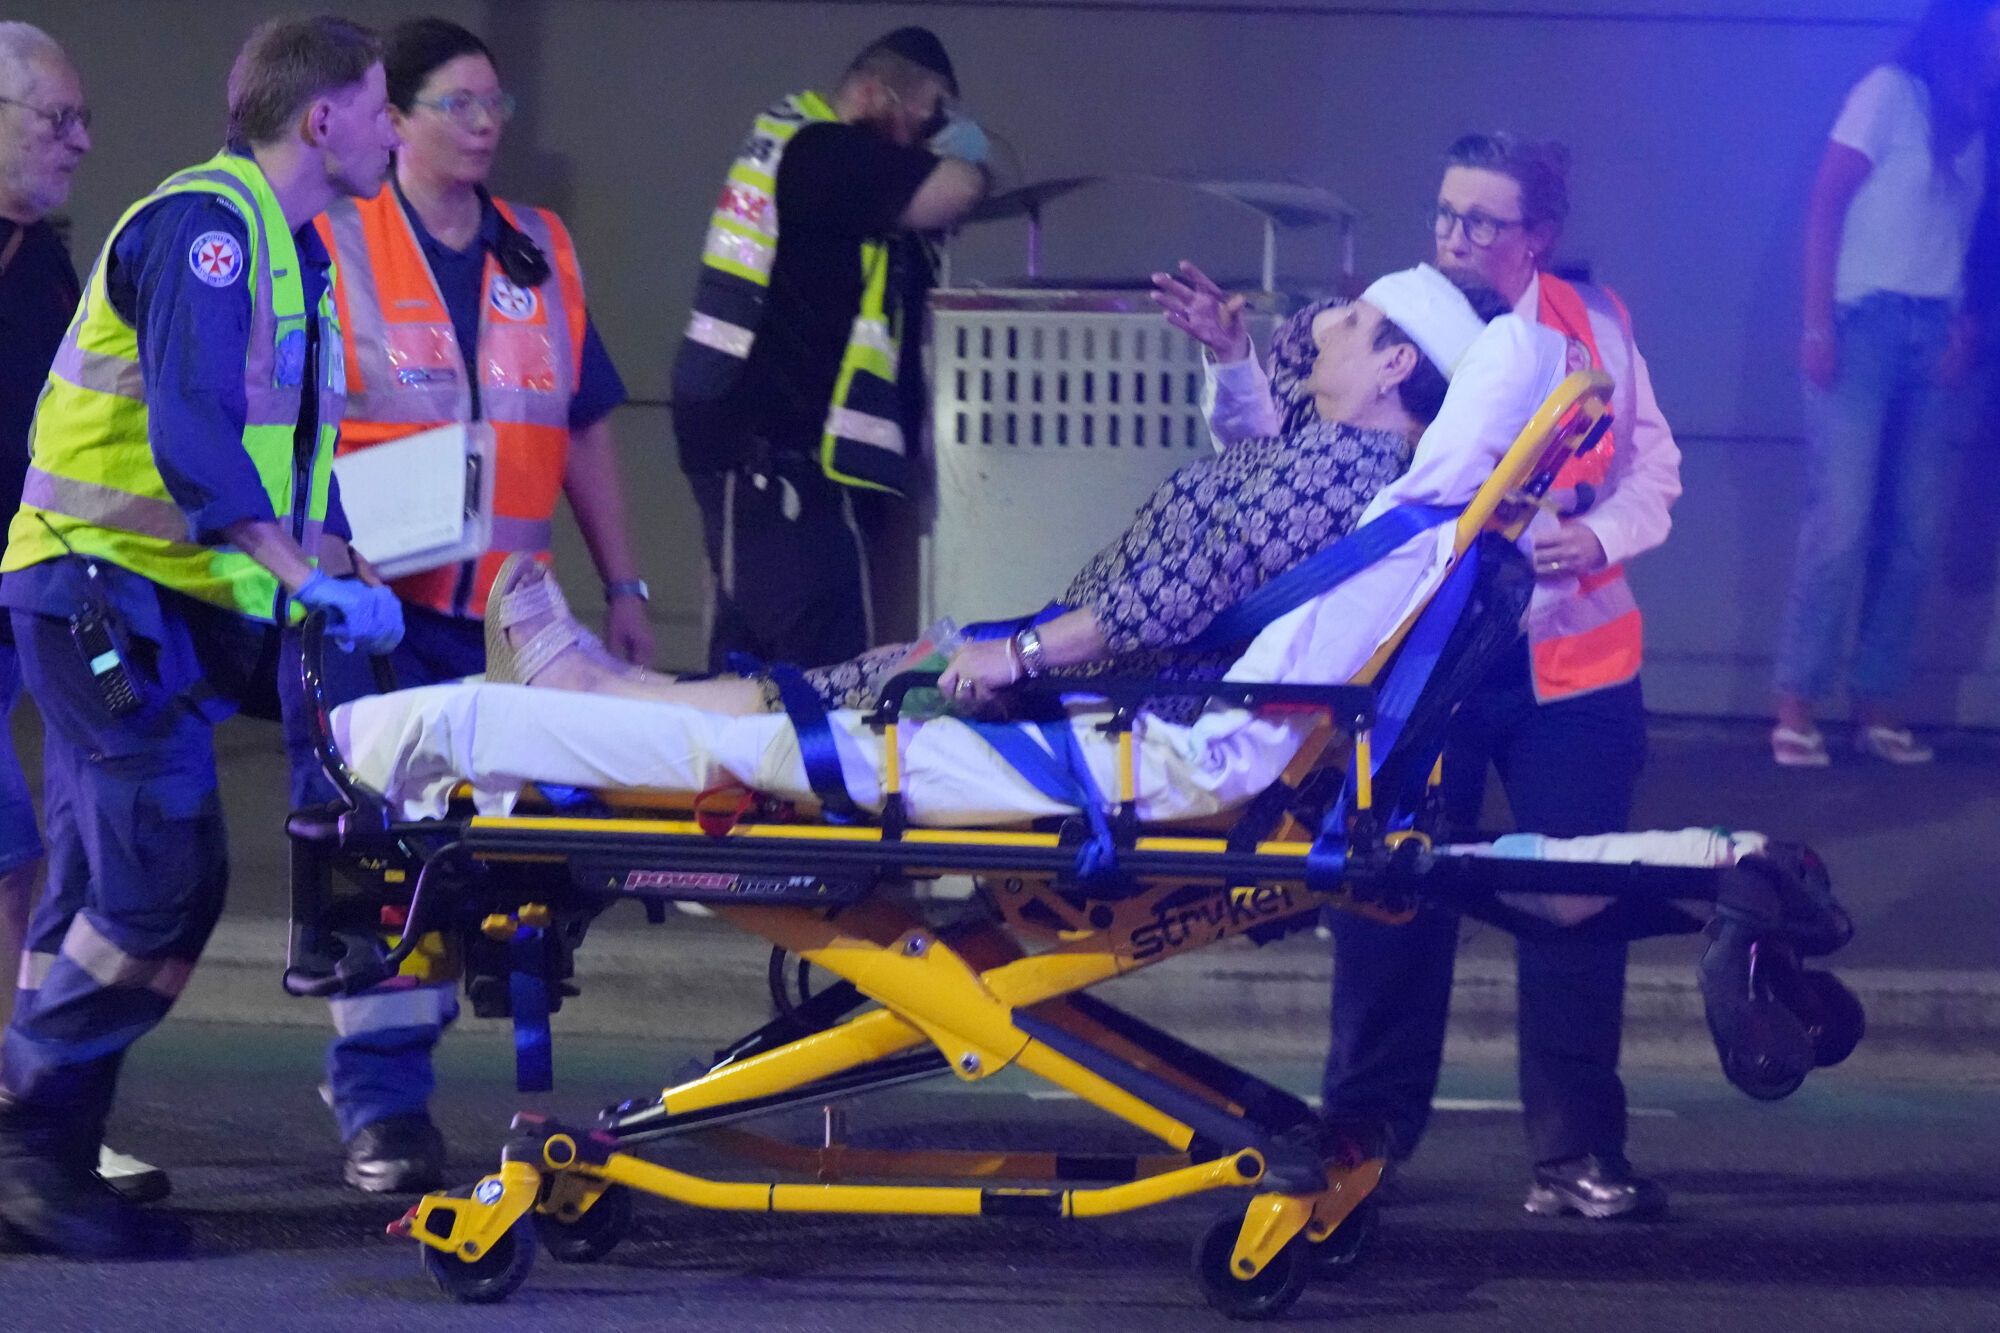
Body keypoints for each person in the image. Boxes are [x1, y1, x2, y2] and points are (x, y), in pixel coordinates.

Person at [1162, 132, 1685, 1219]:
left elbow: (1651, 470)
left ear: (1534, 236)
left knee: (1575, 904)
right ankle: (1363, 1136)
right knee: (1384, 898)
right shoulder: (1392, 315)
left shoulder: (1593, 325)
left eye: (1479, 220)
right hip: (1416, 660)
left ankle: (1576, 1150)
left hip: (1570, 667)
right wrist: (1229, 360)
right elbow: (1286, 461)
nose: (1451, 236)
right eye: (1444, 212)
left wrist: (1596, 541)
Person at [0, 15, 401, 1258]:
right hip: (92, 595)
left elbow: (288, 459)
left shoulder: (292, 255)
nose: (397, 128)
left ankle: (45, 1155)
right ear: (322, 118)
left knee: (122, 880)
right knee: (160, 870)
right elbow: (189, 438)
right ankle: (29, 1139)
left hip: (133, 606)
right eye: (385, 106)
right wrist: (298, 571)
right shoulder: (211, 233)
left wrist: (340, 563)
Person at [493, 266, 1510, 725]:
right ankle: (627, 698)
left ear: (1391, 370)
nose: (1320, 327)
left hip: (1110, 687)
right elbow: (1267, 436)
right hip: (1109, 670)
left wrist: (1019, 654)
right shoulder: (1344, 463)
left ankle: (613, 704)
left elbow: (1171, 593)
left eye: (1349, 324)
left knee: (879, 682)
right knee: (878, 670)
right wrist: (1239, 352)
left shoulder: (1336, 474)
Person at [287, 15, 650, 1196]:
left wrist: (628, 585)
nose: (489, 123)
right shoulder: (330, 242)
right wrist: (310, 548)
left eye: (496, 103)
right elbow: (274, 422)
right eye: (460, 103)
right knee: (378, 848)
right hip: (368, 611)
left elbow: (584, 428)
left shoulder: (539, 248)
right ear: (392, 120)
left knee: (496, 852)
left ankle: (478, 1080)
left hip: (503, 613)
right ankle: (381, 1109)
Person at [670, 27, 989, 674]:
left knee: (766, 663)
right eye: (922, 113)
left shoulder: (798, 145)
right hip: (770, 457)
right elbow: (952, 191)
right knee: (819, 675)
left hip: (765, 452)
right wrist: (973, 162)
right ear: (874, 90)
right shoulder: (826, 152)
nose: (924, 133)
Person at [1772, 0, 2000, 766]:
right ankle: (1797, 704)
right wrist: (1815, 322)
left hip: (1934, 333)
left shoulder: (1979, 118)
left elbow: (1971, 238)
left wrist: (1968, 319)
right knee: (1841, 519)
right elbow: (1825, 202)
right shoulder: (1889, 94)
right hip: (1860, 324)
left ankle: (1876, 701)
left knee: (1916, 531)